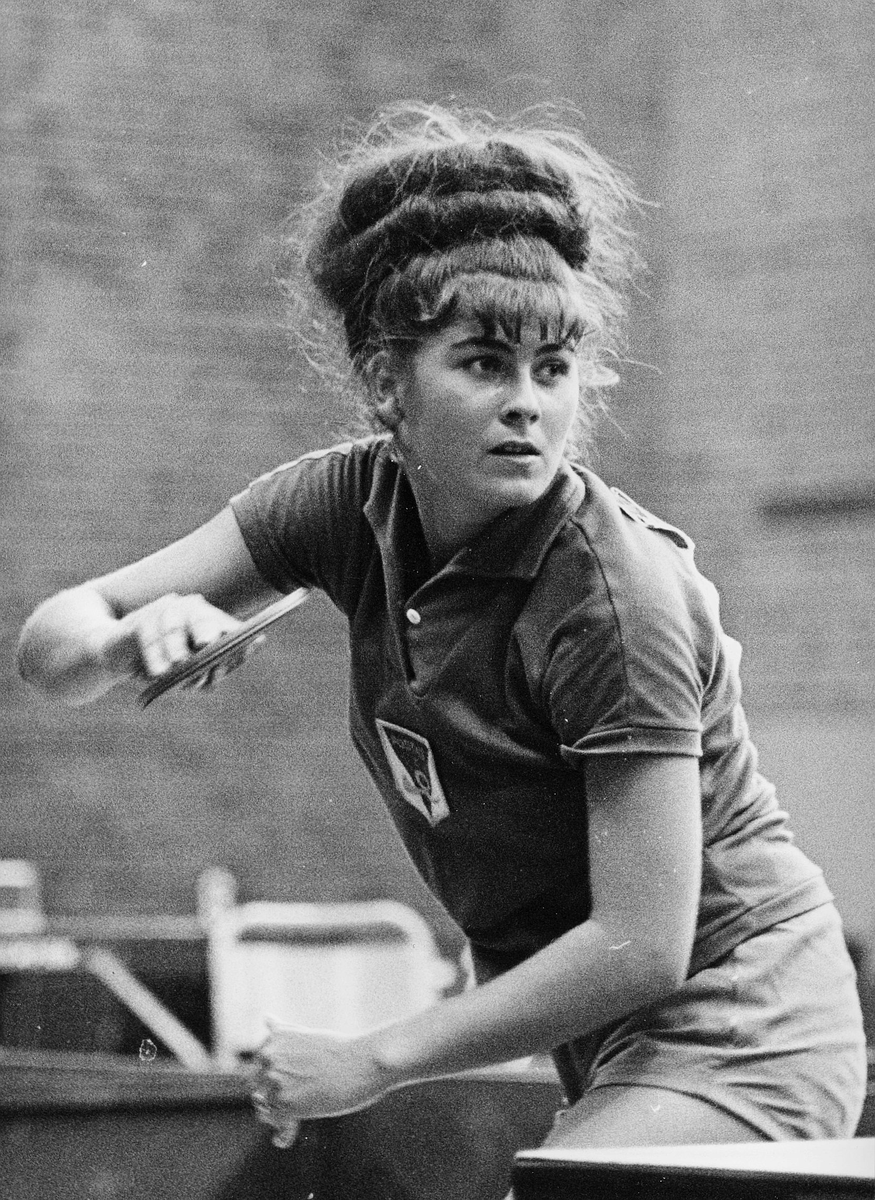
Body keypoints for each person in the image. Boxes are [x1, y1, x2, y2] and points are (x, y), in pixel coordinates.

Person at [17, 103, 867, 1165]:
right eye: (482, 363)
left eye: (551, 367)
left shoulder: (615, 599)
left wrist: (371, 1059)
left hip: (748, 1025)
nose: (526, 404)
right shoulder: (341, 505)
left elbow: (639, 946)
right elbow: (50, 645)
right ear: (387, 382)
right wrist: (127, 641)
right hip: (608, 1043)